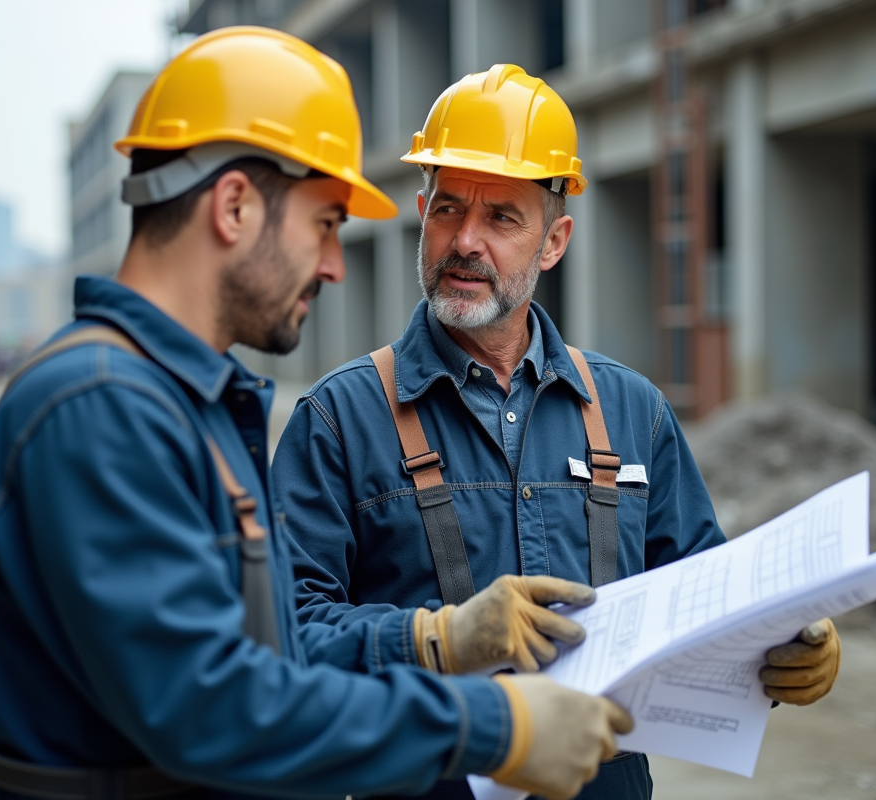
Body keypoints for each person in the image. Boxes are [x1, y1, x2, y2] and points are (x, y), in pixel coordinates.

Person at [0, 32, 634, 800]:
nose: (334, 264)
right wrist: (490, 722)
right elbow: (216, 708)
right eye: (324, 223)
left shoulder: (183, 408)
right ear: (236, 206)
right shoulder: (100, 411)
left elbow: (271, 655)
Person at [273, 64, 842, 799]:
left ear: (554, 240)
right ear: (421, 213)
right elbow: (283, 646)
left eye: (502, 217)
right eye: (447, 210)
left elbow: (705, 605)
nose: (465, 241)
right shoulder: (338, 422)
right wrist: (434, 640)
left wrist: (782, 648)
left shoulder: (633, 411)